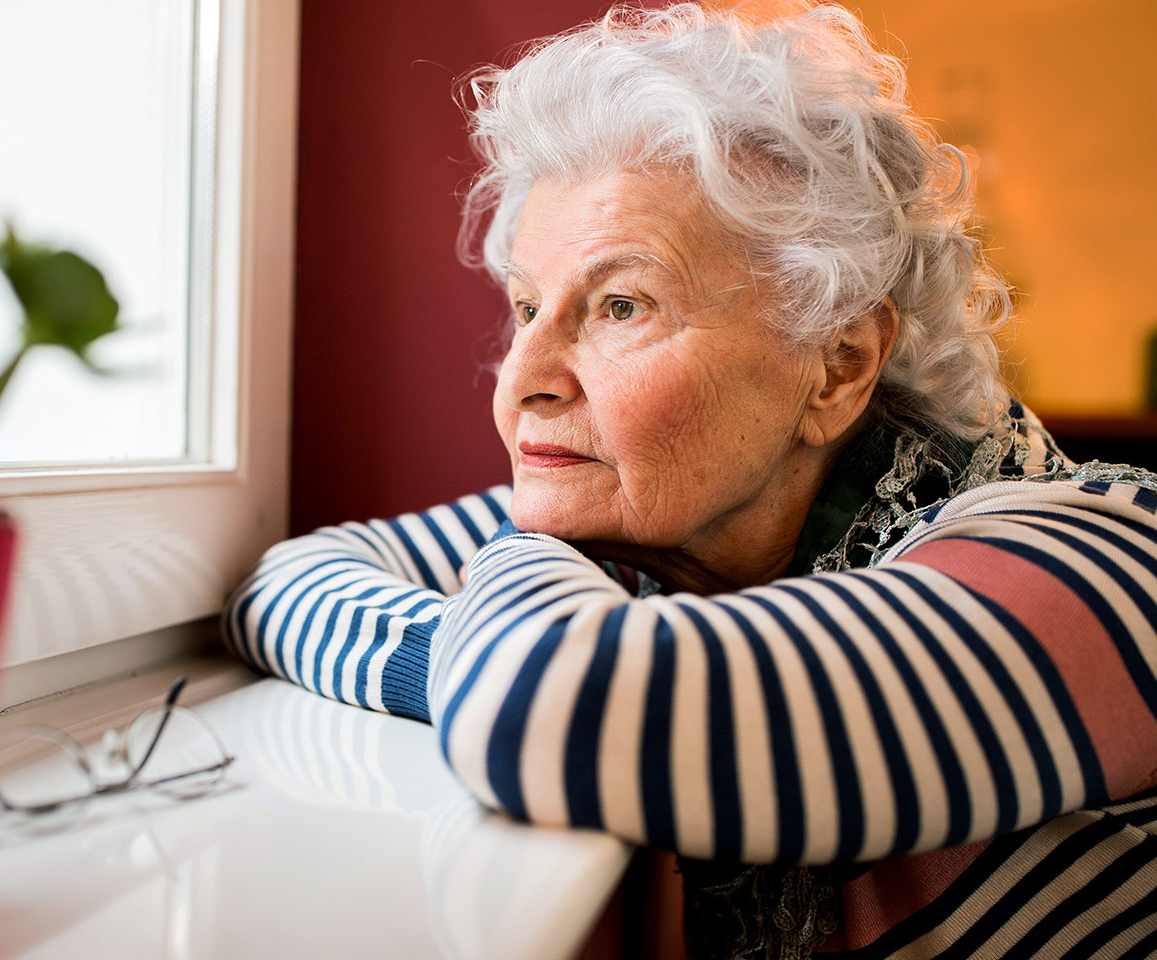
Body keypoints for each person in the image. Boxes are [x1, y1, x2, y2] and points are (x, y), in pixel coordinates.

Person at [224, 5, 1157, 958]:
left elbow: (549, 708)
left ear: (836, 366)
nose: (520, 381)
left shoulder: (1107, 559)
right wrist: (480, 640)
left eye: (621, 304)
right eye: (527, 307)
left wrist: (518, 619)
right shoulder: (671, 529)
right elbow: (291, 580)